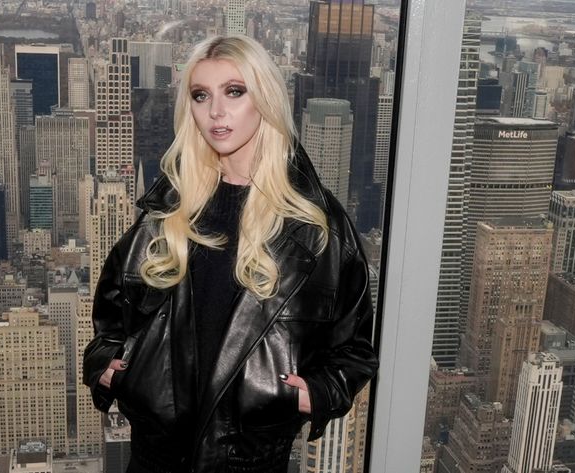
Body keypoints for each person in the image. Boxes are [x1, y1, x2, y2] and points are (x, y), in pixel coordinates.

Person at [83, 34, 378, 473]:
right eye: (201, 96)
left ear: (265, 99)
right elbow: (111, 315)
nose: (216, 111)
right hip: (155, 460)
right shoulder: (167, 211)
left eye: (234, 92)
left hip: (249, 462)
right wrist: (107, 365)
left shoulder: (317, 227)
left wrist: (313, 393)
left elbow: (354, 347)